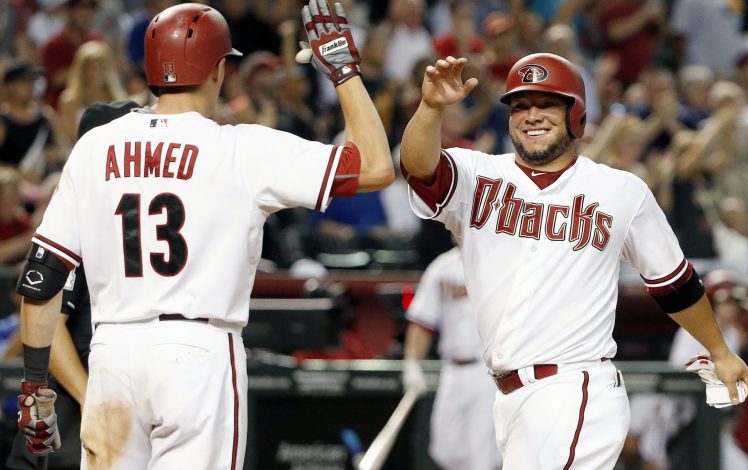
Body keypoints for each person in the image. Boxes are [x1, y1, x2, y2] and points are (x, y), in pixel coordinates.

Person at [13, 2, 393, 469]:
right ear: (218, 70)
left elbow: (41, 277)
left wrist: (34, 385)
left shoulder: (95, 145)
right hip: (197, 354)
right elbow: (375, 165)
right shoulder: (240, 148)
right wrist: (343, 69)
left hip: (113, 352)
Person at [398, 52, 748, 469]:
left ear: (577, 116)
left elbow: (675, 283)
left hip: (572, 388)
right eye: (520, 106)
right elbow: (418, 167)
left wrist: (719, 351)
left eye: (547, 104)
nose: (532, 115)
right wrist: (431, 108)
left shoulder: (620, 191)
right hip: (508, 395)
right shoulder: (476, 174)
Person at [6, 100, 139, 470]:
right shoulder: (78, 215)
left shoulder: (122, 212)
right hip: (71, 410)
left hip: (105, 400)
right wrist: (89, 399)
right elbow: (49, 323)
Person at [402, 245, 500, 470]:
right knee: (446, 449)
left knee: (482, 454)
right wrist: (412, 364)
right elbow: (422, 321)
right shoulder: (441, 268)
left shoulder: (502, 261)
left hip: (488, 373)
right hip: (452, 370)